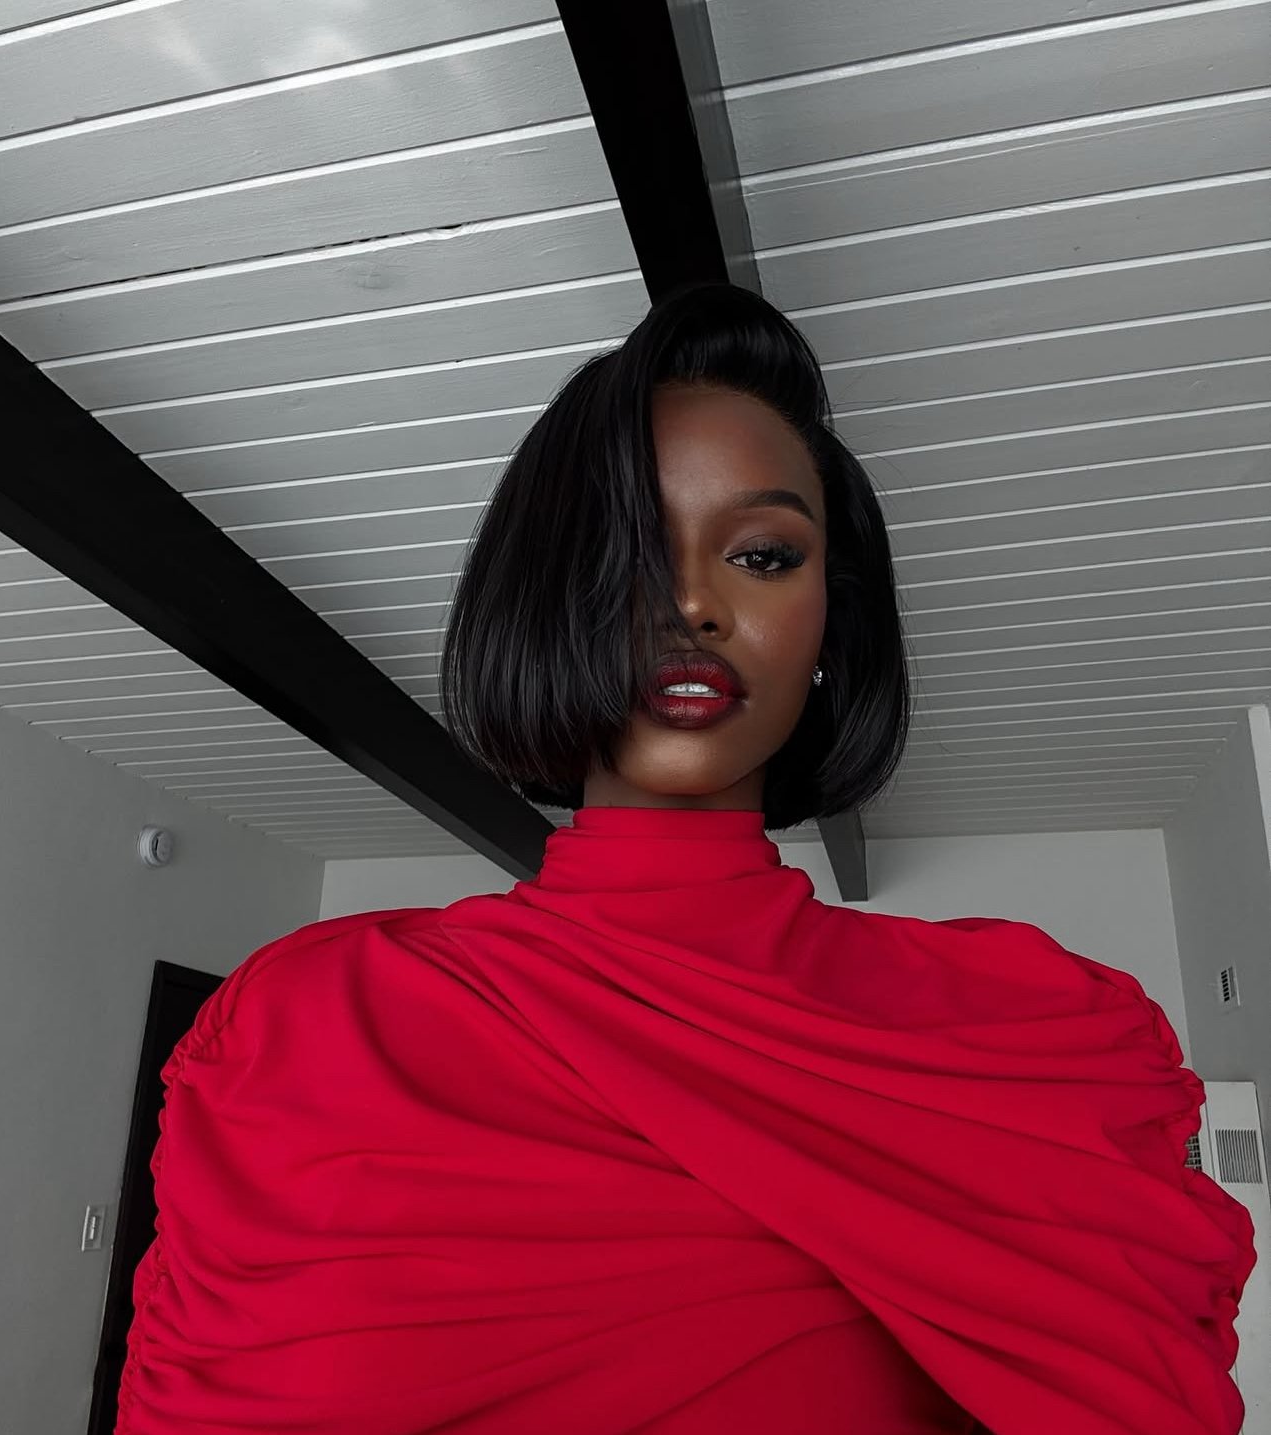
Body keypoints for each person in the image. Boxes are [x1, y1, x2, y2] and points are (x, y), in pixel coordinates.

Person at [115, 283, 1256, 1434]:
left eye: (763, 555)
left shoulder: (1048, 1034)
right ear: (547, 594)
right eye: (629, 547)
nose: (694, 603)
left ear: (829, 628)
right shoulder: (308, 1021)